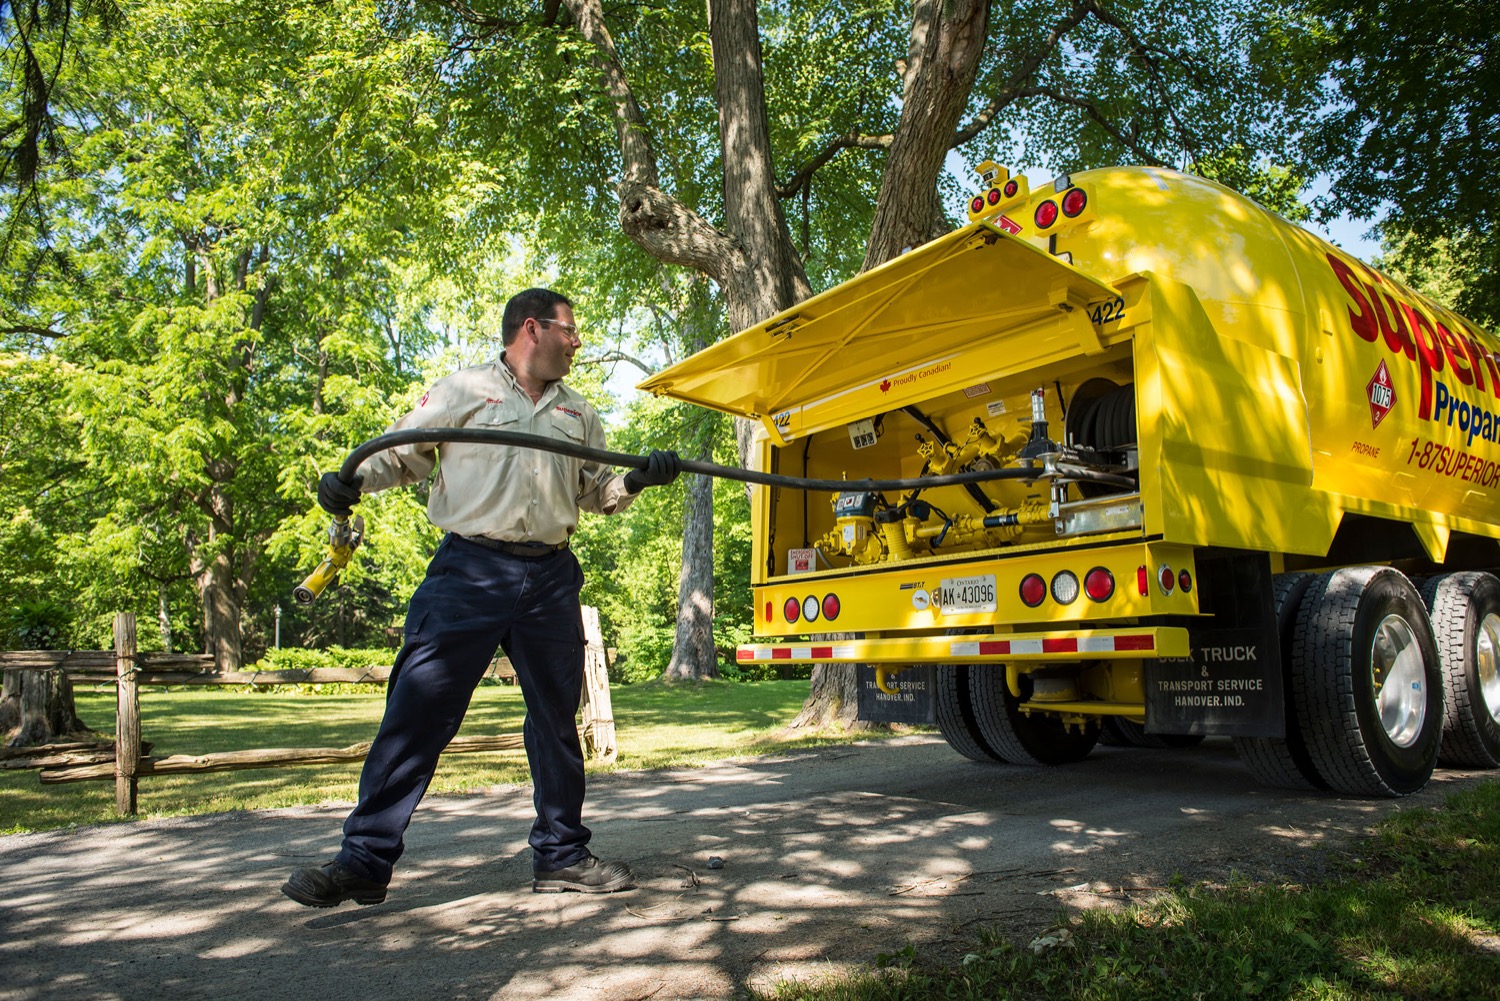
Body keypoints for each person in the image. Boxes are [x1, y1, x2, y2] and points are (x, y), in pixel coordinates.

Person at [282, 288, 680, 907]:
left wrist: (637, 478)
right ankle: (363, 860)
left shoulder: (579, 413)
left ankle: (562, 855)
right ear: (532, 329)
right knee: (416, 711)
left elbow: (598, 494)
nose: (578, 342)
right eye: (570, 331)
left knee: (556, 722)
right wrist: (348, 482)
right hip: (467, 572)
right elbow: (398, 455)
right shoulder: (463, 390)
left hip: (550, 578)